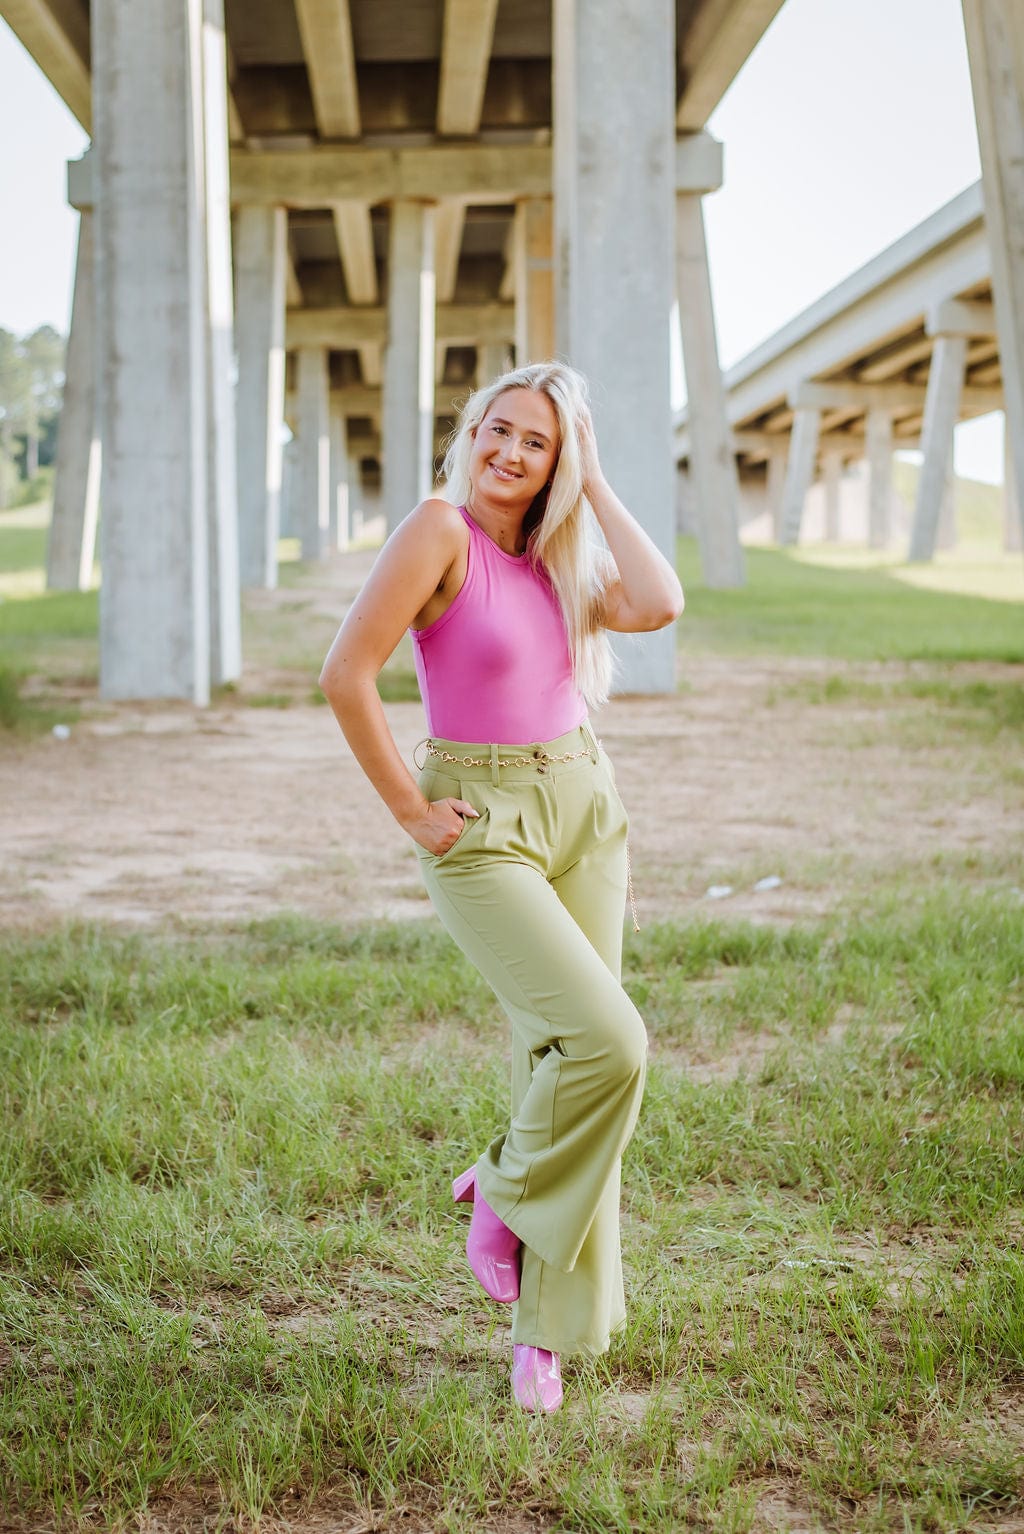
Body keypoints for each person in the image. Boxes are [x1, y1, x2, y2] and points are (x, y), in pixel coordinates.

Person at [319, 360, 683, 1414]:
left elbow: (659, 601)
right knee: (608, 1043)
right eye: (498, 429)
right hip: (481, 823)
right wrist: (408, 809)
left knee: (568, 1068)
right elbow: (347, 673)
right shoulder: (439, 530)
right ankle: (504, 1187)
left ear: (557, 461)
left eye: (537, 442)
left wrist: (598, 481)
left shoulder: (560, 554)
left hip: (583, 804)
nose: (509, 453)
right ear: (470, 429)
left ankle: (543, 1339)